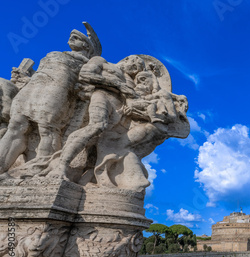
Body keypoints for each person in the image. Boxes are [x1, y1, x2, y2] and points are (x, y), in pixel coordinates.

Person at [0, 22, 101, 174]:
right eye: (71, 36)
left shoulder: (90, 63)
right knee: (15, 126)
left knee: (47, 128)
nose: (71, 38)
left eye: (77, 38)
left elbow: (89, 80)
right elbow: (41, 73)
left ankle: (41, 170)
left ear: (87, 47)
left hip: (58, 91)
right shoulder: (53, 54)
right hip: (32, 89)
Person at [48, 55, 145, 180]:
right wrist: (117, 84)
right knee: (97, 126)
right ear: (126, 59)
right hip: (102, 95)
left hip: (119, 109)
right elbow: (85, 74)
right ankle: (61, 166)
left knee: (101, 140)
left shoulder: (130, 80)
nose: (134, 71)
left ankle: (88, 175)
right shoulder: (104, 62)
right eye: (135, 66)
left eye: (137, 70)